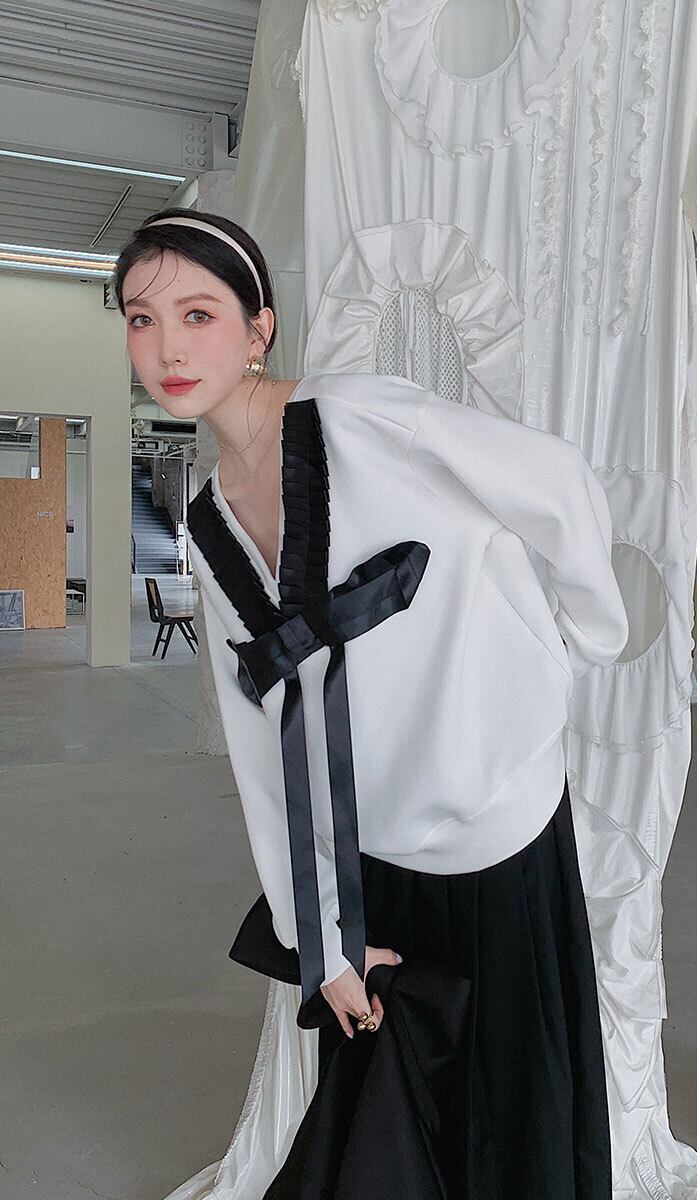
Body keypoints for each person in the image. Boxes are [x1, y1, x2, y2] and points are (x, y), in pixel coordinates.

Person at [114, 207, 629, 1199]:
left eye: (197, 314)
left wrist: (579, 642)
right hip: (377, 858)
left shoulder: (359, 418)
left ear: (259, 328)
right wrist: (320, 939)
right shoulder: (212, 524)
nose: (168, 346)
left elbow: (555, 483)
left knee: (516, 1122)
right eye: (142, 318)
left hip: (500, 828)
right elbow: (266, 754)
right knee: (395, 1132)